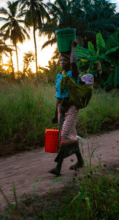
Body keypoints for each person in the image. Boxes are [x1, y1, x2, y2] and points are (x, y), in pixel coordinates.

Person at [49, 40, 85, 176]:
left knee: (64, 135)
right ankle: (80, 161)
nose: (62, 62)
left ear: (69, 62)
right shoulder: (60, 76)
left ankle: (58, 167)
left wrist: (72, 48)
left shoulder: (73, 74)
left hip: (72, 109)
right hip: (61, 109)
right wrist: (55, 114)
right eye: (60, 60)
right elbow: (58, 97)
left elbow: (74, 62)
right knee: (70, 135)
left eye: (64, 60)